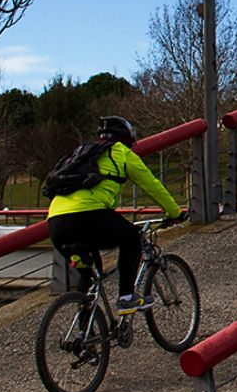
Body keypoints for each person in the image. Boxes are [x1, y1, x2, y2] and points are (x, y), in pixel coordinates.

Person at [46, 116, 185, 313]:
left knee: (87, 276)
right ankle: (127, 297)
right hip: (87, 216)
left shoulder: (82, 154)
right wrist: (175, 212)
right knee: (131, 238)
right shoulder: (122, 153)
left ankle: (85, 335)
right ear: (128, 138)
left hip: (56, 224)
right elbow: (152, 186)